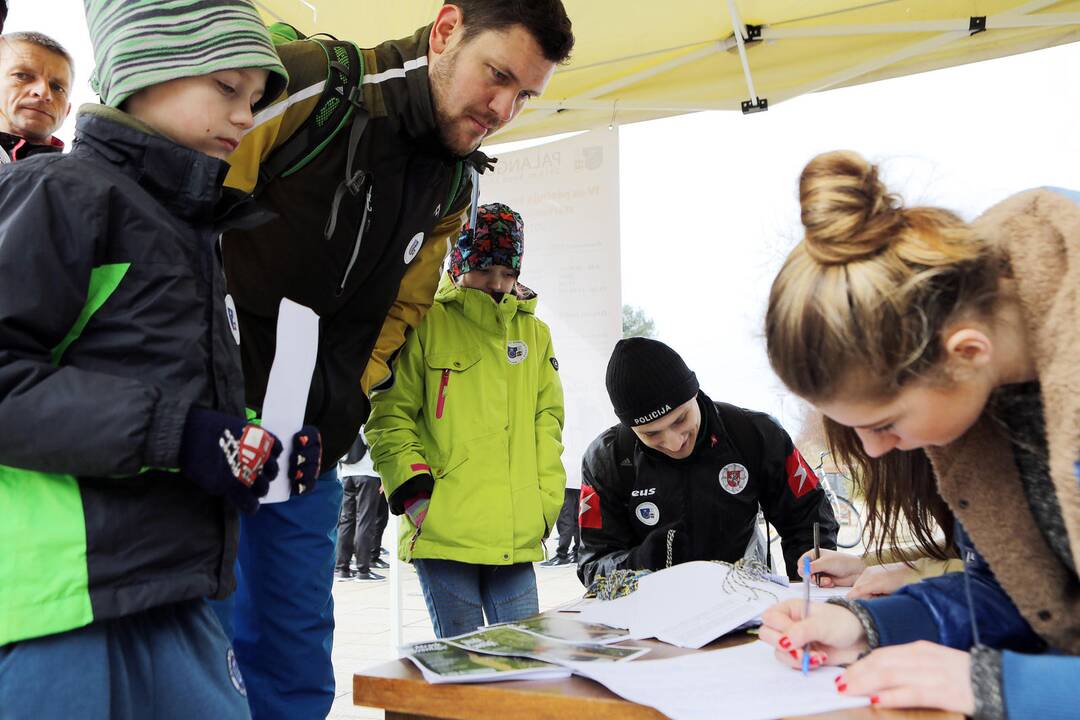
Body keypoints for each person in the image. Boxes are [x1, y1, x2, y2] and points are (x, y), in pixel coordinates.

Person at [213, 2, 573, 715]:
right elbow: (182, 217)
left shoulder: (456, 181)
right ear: (445, 31)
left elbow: (403, 308)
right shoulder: (311, 84)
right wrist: (197, 393)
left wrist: (344, 396)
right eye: (496, 75)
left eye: (525, 95)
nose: (503, 108)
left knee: (294, 666)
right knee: (196, 655)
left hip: (305, 450)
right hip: (203, 433)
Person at [0, 1, 322, 717]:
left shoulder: (196, 230)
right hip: (64, 607)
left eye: (256, 100)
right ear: (148, 74)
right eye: (227, 88)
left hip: (178, 591)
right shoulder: (58, 191)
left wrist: (249, 446)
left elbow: (165, 391)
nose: (245, 118)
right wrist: (183, 437)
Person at [758, 149, 1080, 720]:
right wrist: (870, 624)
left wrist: (1008, 686)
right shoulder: (982, 390)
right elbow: (1025, 595)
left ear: (966, 353)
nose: (876, 450)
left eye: (884, 424)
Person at [366, 203, 565, 639]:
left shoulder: (535, 334)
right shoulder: (424, 323)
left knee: (523, 663)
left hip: (515, 535)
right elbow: (388, 415)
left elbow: (547, 423)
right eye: (485, 269)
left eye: (507, 272)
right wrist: (414, 492)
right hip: (444, 530)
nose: (497, 283)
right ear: (459, 264)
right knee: (465, 667)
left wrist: (546, 502)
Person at [576, 337, 839, 587]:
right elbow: (593, 565)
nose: (673, 442)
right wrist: (641, 563)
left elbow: (807, 517)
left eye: (680, 420)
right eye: (651, 434)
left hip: (747, 598)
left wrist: (807, 578)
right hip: (652, 614)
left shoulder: (754, 433)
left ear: (695, 394)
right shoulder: (606, 459)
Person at [0, 31, 73, 163]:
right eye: (22, 75)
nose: (44, 92)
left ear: (67, 111)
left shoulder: (84, 179)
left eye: (57, 87)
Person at [335, 428, 388, 582]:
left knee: (346, 521)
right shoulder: (366, 418)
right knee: (365, 521)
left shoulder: (347, 416)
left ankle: (342, 568)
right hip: (368, 474)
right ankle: (363, 570)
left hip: (347, 473)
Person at [540, 476, 581, 567]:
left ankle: (562, 555)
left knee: (565, 517)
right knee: (576, 515)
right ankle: (577, 552)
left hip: (567, 478)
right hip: (577, 477)